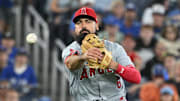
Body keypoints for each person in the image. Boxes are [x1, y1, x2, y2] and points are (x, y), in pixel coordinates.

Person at [62, 7, 141, 101]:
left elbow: (136, 78)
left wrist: (114, 66)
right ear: (75, 28)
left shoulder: (114, 48)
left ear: (97, 26)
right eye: (78, 22)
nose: (83, 26)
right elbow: (70, 63)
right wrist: (83, 57)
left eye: (88, 21)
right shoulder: (70, 50)